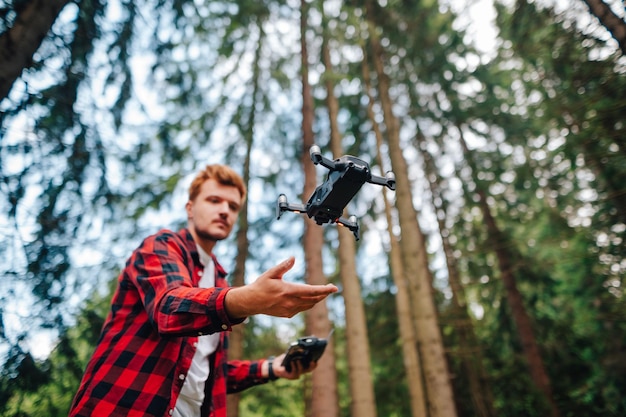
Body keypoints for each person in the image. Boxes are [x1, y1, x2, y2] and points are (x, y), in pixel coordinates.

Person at [69, 164, 338, 417]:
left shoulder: (219, 282)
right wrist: (246, 300)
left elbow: (208, 373)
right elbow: (168, 306)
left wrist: (272, 367)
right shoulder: (160, 246)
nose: (225, 211)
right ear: (190, 208)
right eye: (214, 201)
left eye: (233, 206)